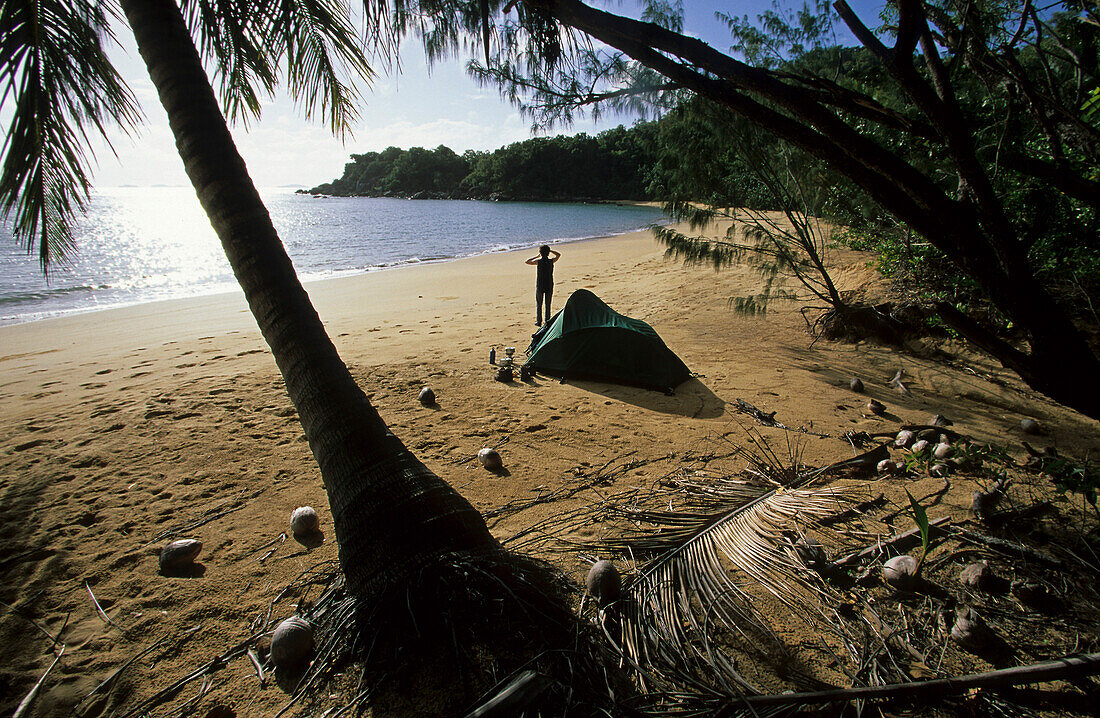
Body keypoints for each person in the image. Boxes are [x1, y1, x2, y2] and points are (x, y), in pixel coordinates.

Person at [525, 244, 560, 326]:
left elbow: (527, 261)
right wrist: (550, 250)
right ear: (548, 253)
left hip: (540, 285)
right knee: (548, 304)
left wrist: (537, 256)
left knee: (539, 304)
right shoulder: (551, 261)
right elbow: (558, 255)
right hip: (549, 284)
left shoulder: (538, 262)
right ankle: (547, 321)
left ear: (541, 253)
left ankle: (539, 321)